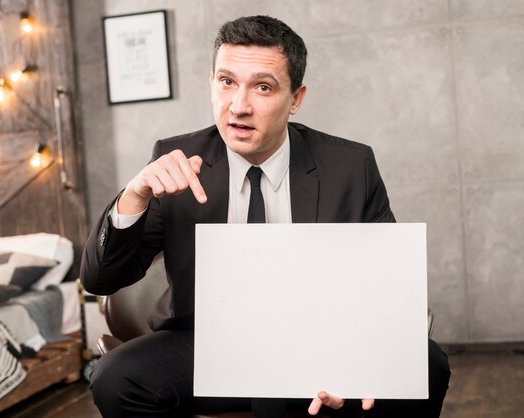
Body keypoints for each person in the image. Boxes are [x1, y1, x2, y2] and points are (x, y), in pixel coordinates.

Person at [81, 15, 450, 418]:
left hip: (318, 343)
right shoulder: (176, 160)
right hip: (206, 347)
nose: (239, 106)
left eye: (262, 86)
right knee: (116, 377)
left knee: (426, 365)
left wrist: (352, 363)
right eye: (226, 82)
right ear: (212, 85)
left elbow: (385, 289)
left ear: (296, 98)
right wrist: (133, 196)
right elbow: (101, 279)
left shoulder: (350, 166)